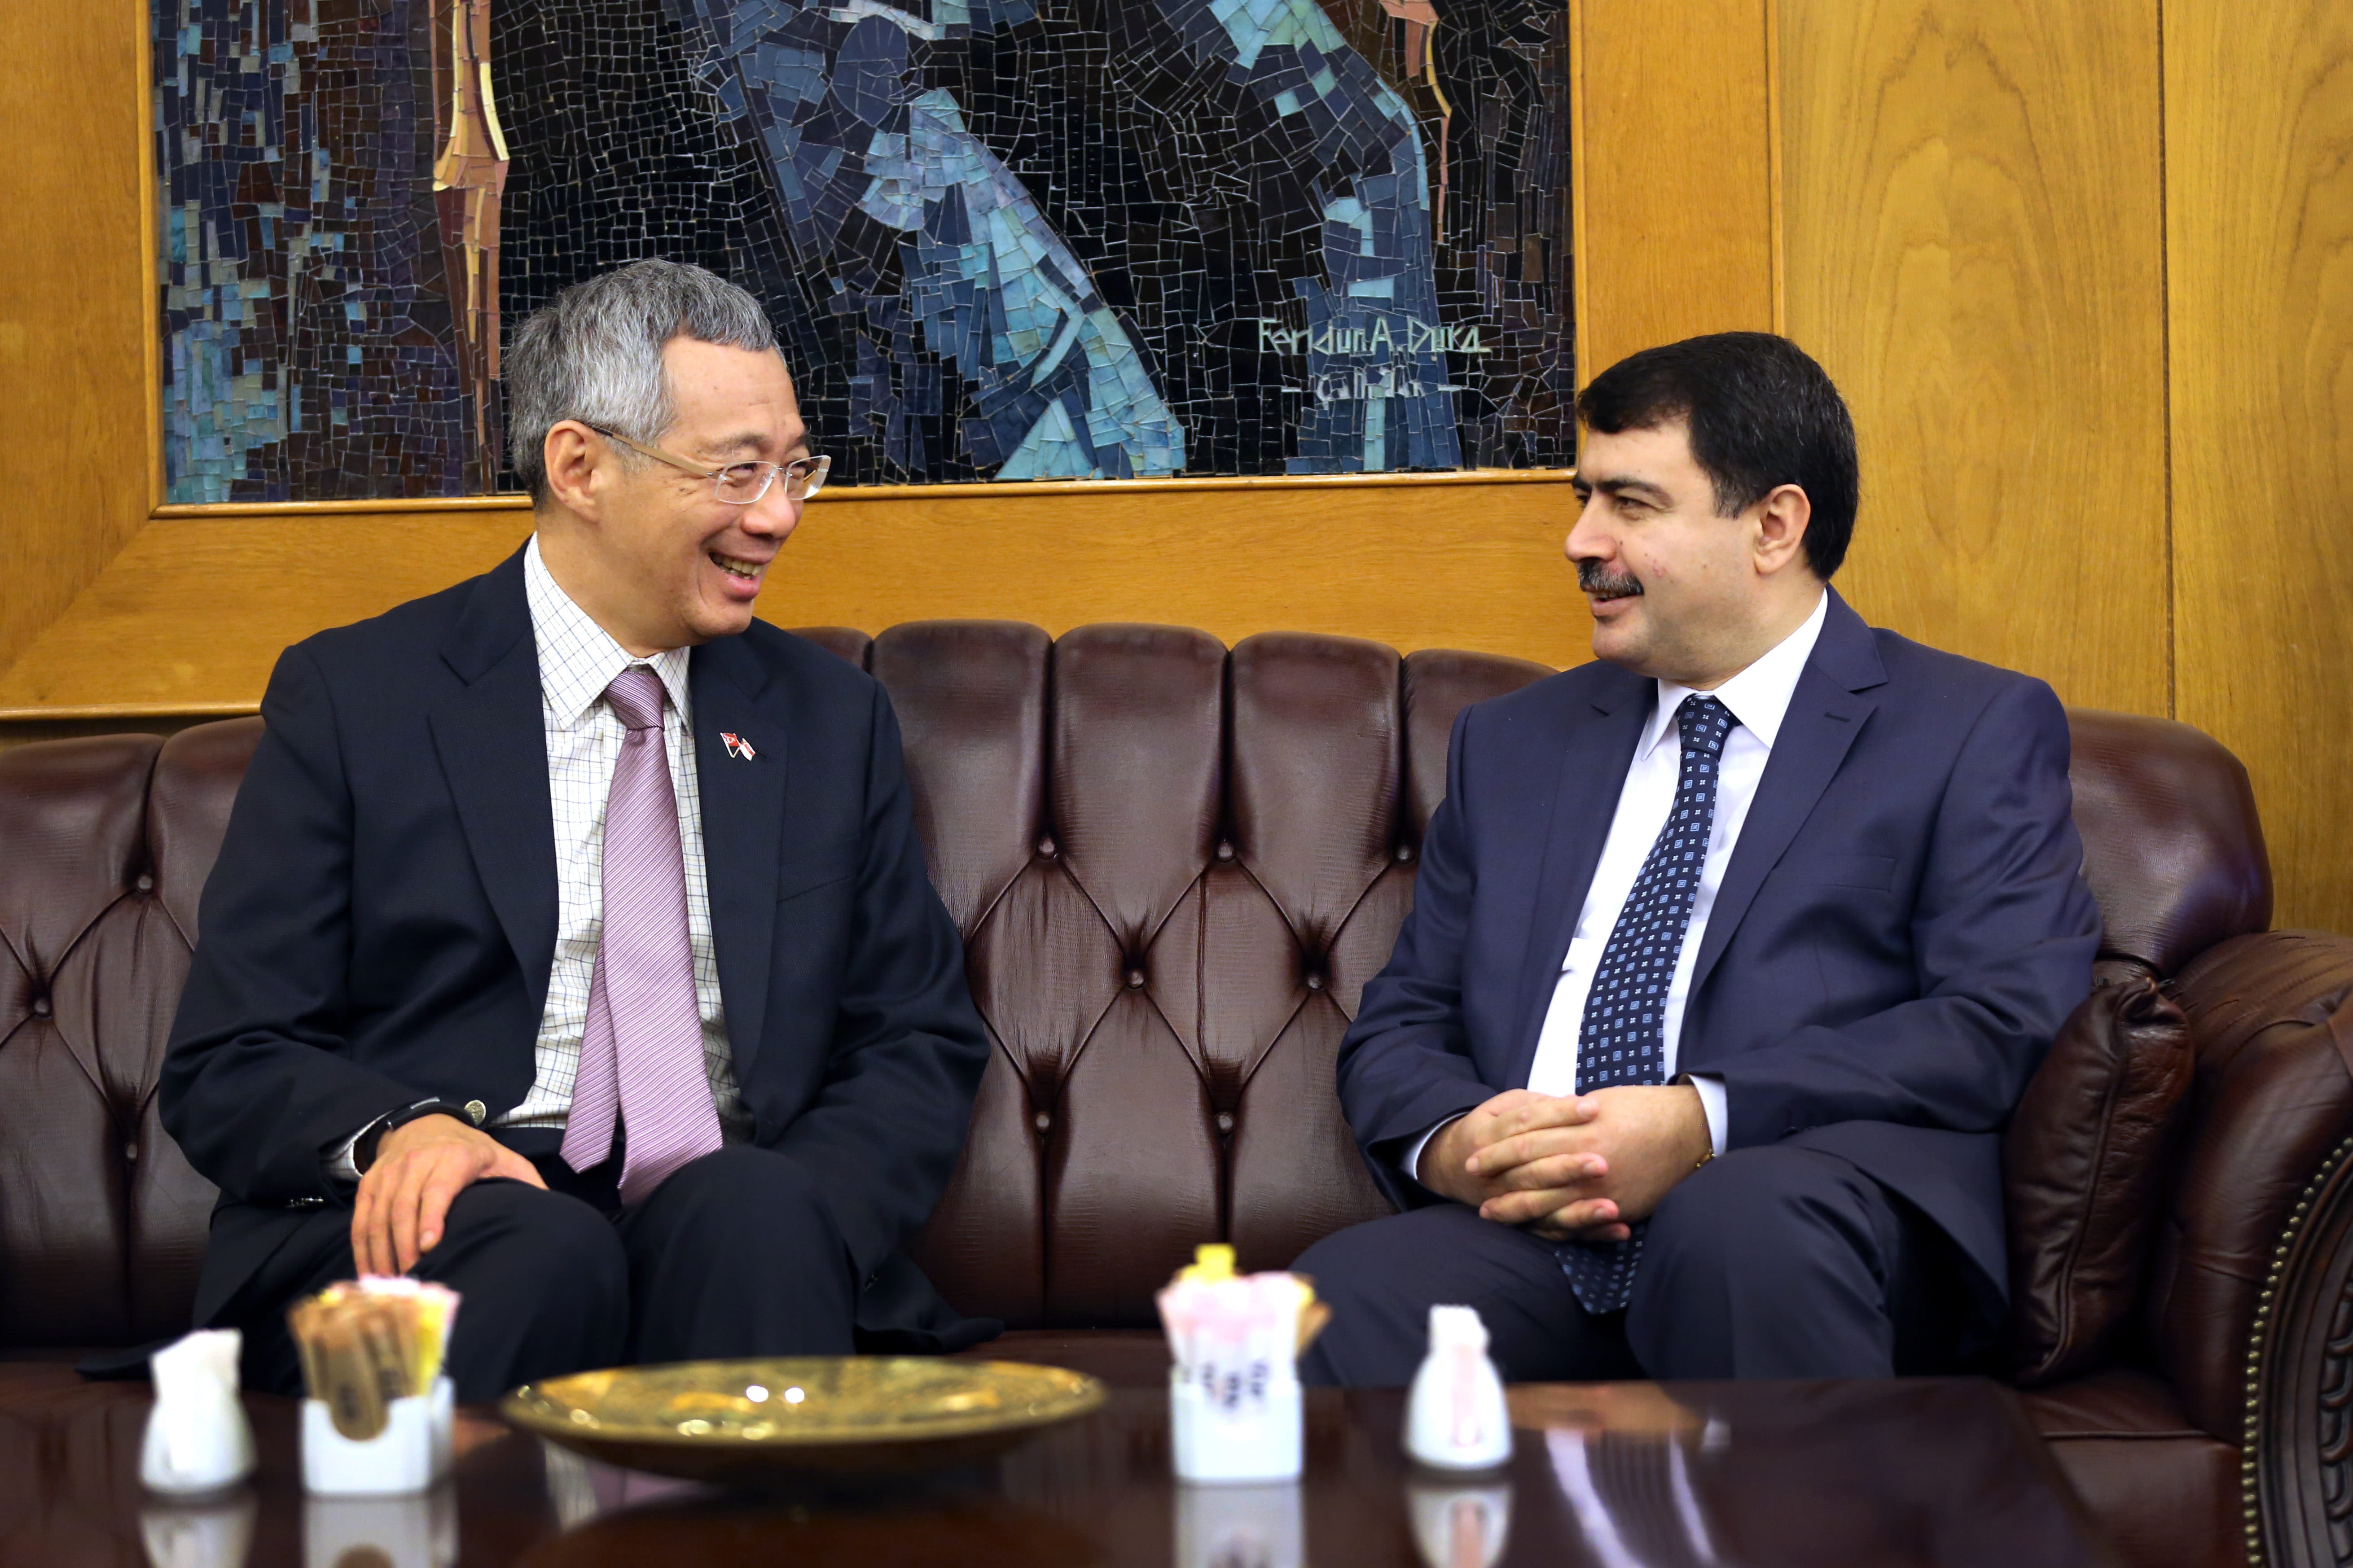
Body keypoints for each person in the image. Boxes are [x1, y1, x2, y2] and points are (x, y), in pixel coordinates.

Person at [157, 260, 995, 1400]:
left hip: (731, 1211)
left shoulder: (825, 718)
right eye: (737, 472)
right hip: (464, 1209)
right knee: (540, 1245)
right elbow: (232, 1055)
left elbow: (912, 1038)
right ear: (579, 466)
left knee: (747, 1216)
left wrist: (804, 1210)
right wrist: (401, 1134)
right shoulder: (362, 699)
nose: (780, 516)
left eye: (795, 469)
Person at [1295, 332, 2100, 1384]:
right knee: (1321, 1309)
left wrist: (1698, 1120)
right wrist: (1458, 1141)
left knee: (1738, 1225)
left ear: (1773, 524)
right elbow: (1404, 1020)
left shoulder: (1963, 727)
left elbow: (2001, 1014)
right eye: (1582, 498)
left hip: (1795, 1214)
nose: (1581, 540)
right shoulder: (1514, 744)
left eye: (1629, 505)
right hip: (1543, 1238)